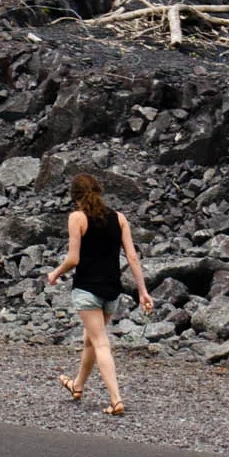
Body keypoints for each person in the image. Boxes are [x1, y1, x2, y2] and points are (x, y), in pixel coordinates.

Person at [44, 173, 152, 415]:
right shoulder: (120, 218)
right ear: (100, 192)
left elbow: (73, 258)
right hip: (111, 291)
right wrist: (143, 291)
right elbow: (132, 257)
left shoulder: (77, 218)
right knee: (91, 339)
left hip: (87, 290)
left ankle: (116, 400)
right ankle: (77, 386)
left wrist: (55, 273)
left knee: (100, 343)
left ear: (76, 197)